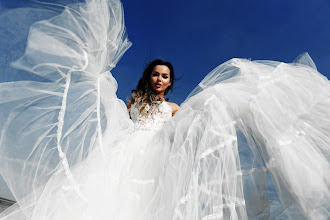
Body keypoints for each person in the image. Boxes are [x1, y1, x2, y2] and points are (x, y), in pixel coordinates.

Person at [0, 0, 329, 219]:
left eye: (165, 76)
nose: (159, 79)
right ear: (149, 77)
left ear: (170, 83)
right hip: (127, 149)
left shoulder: (174, 107)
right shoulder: (134, 100)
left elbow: (180, 134)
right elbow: (121, 121)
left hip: (157, 156)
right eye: (156, 74)